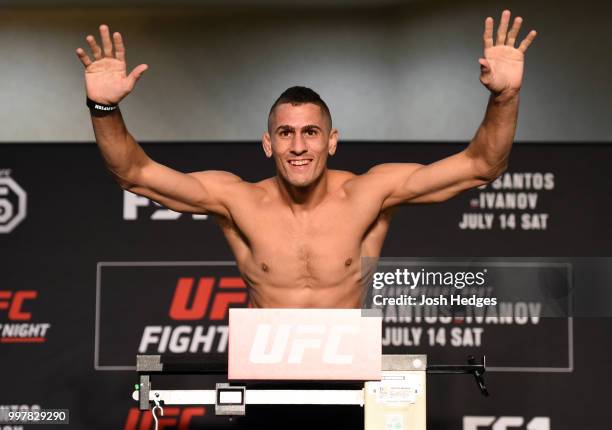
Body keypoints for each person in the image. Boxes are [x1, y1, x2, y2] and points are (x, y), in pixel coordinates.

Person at [76, 10, 536, 308]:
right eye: (286, 133)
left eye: (311, 133)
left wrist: (506, 96)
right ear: (268, 143)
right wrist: (104, 108)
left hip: (348, 380)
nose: (298, 146)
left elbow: (482, 164)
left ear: (332, 141)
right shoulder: (237, 200)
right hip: (264, 381)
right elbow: (134, 173)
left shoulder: (370, 193)